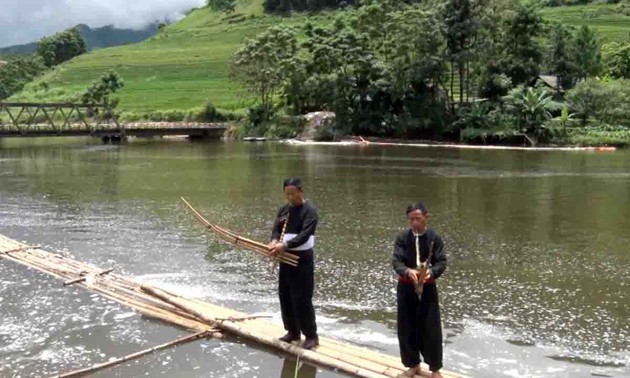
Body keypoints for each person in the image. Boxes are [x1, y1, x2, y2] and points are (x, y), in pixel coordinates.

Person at [392, 202, 447, 378]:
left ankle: (435, 369)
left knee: (431, 329)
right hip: (406, 287)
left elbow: (441, 262)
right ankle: (412, 364)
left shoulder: (434, 238)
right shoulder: (402, 238)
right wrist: (408, 271)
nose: (415, 223)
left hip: (428, 288)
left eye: (418, 218)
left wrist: (431, 272)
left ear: (425, 217)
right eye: (411, 219)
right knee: (407, 327)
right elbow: (396, 262)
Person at [268, 177, 319, 349]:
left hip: (301, 259)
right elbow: (276, 229)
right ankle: (293, 331)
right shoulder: (284, 210)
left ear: (300, 191)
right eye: (287, 194)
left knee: (302, 298)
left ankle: (311, 336)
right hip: (285, 258)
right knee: (286, 296)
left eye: (293, 194)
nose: (290, 198)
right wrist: (274, 241)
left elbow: (305, 235)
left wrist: (286, 245)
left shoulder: (310, 211)